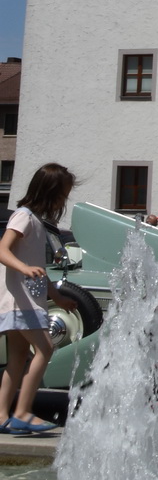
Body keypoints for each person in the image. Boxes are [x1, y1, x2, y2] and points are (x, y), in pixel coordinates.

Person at [0, 162, 78, 435]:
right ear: (49, 192)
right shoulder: (23, 216)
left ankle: (1, 415)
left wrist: (57, 296)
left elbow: (38, 270)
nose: (63, 201)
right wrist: (23, 268)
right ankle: (22, 413)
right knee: (45, 349)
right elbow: (3, 249)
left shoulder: (35, 220)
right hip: (21, 302)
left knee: (18, 358)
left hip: (22, 301)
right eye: (62, 195)